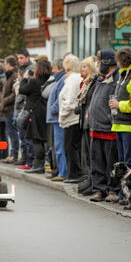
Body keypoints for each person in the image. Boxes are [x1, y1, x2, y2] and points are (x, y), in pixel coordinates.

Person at [88, 50, 120, 202]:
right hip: (96, 128)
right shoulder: (100, 80)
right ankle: (99, 189)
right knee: (97, 162)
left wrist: (108, 119)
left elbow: (113, 106)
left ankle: (112, 190)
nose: (97, 65)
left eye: (100, 62)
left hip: (108, 129)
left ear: (107, 63)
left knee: (110, 163)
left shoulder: (116, 81)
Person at [109, 47, 131, 203]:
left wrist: (119, 105)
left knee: (129, 162)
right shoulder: (122, 76)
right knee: (122, 163)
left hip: (128, 126)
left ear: (123, 61)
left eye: (118, 60)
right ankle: (123, 193)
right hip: (119, 124)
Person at [19, 60, 52, 173]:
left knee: (36, 139)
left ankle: (38, 165)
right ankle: (40, 164)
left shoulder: (34, 82)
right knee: (42, 139)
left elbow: (21, 90)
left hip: (34, 112)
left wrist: (25, 78)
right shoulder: (48, 81)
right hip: (44, 111)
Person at [58, 54, 84, 183]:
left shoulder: (72, 79)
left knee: (70, 147)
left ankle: (74, 174)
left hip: (70, 119)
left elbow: (68, 100)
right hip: (73, 118)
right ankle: (74, 173)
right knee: (72, 147)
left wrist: (62, 114)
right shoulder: (76, 78)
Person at [76, 56, 99, 195]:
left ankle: (93, 182)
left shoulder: (94, 82)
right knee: (86, 153)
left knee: (92, 153)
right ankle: (89, 179)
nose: (82, 69)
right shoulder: (84, 83)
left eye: (85, 66)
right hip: (83, 121)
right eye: (81, 66)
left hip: (90, 122)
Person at [46, 59, 68, 182]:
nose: (52, 71)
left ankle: (63, 172)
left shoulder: (62, 80)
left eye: (53, 68)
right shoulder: (59, 80)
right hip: (55, 118)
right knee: (57, 147)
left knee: (60, 147)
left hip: (58, 118)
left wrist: (52, 109)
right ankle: (60, 171)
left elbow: (60, 100)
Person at [14, 49, 36, 167]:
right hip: (18, 104)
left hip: (25, 105)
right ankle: (24, 157)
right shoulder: (21, 70)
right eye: (18, 58)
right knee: (21, 134)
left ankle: (29, 159)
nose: (19, 60)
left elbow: (27, 88)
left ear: (28, 57)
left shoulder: (31, 68)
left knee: (27, 135)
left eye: (21, 58)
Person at [0, 56, 18, 164]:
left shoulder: (13, 76)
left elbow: (13, 94)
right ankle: (12, 154)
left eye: (5, 64)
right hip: (7, 110)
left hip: (10, 109)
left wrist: (4, 101)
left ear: (9, 64)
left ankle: (14, 154)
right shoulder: (8, 77)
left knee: (12, 132)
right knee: (9, 132)